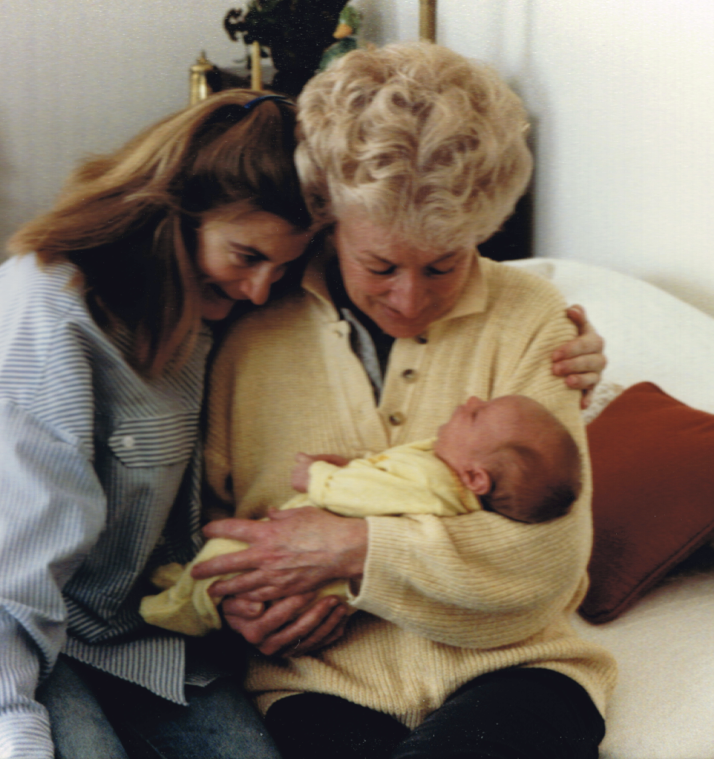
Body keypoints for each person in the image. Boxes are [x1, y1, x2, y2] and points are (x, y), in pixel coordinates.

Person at [192, 42, 618, 759]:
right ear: (328, 219)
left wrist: (355, 547)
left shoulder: (534, 320)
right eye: (380, 265)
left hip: (515, 671)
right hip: (315, 680)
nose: (410, 298)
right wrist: (239, 604)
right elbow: (197, 520)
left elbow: (550, 558)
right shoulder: (246, 324)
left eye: (444, 264)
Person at [0, 90, 319, 759]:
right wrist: (3, 723)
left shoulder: (217, 312)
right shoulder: (46, 314)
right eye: (246, 257)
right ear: (170, 215)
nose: (260, 290)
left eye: (283, 266)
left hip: (129, 634)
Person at [139, 394, 580, 637]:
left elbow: (365, 494)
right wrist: (355, 462)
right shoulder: (445, 476)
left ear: (476, 478)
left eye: (477, 414)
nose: (468, 400)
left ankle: (174, 609)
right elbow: (385, 478)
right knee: (231, 567)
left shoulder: (434, 480)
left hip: (308, 571)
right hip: (311, 584)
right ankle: (186, 583)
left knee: (229, 558)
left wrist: (320, 478)